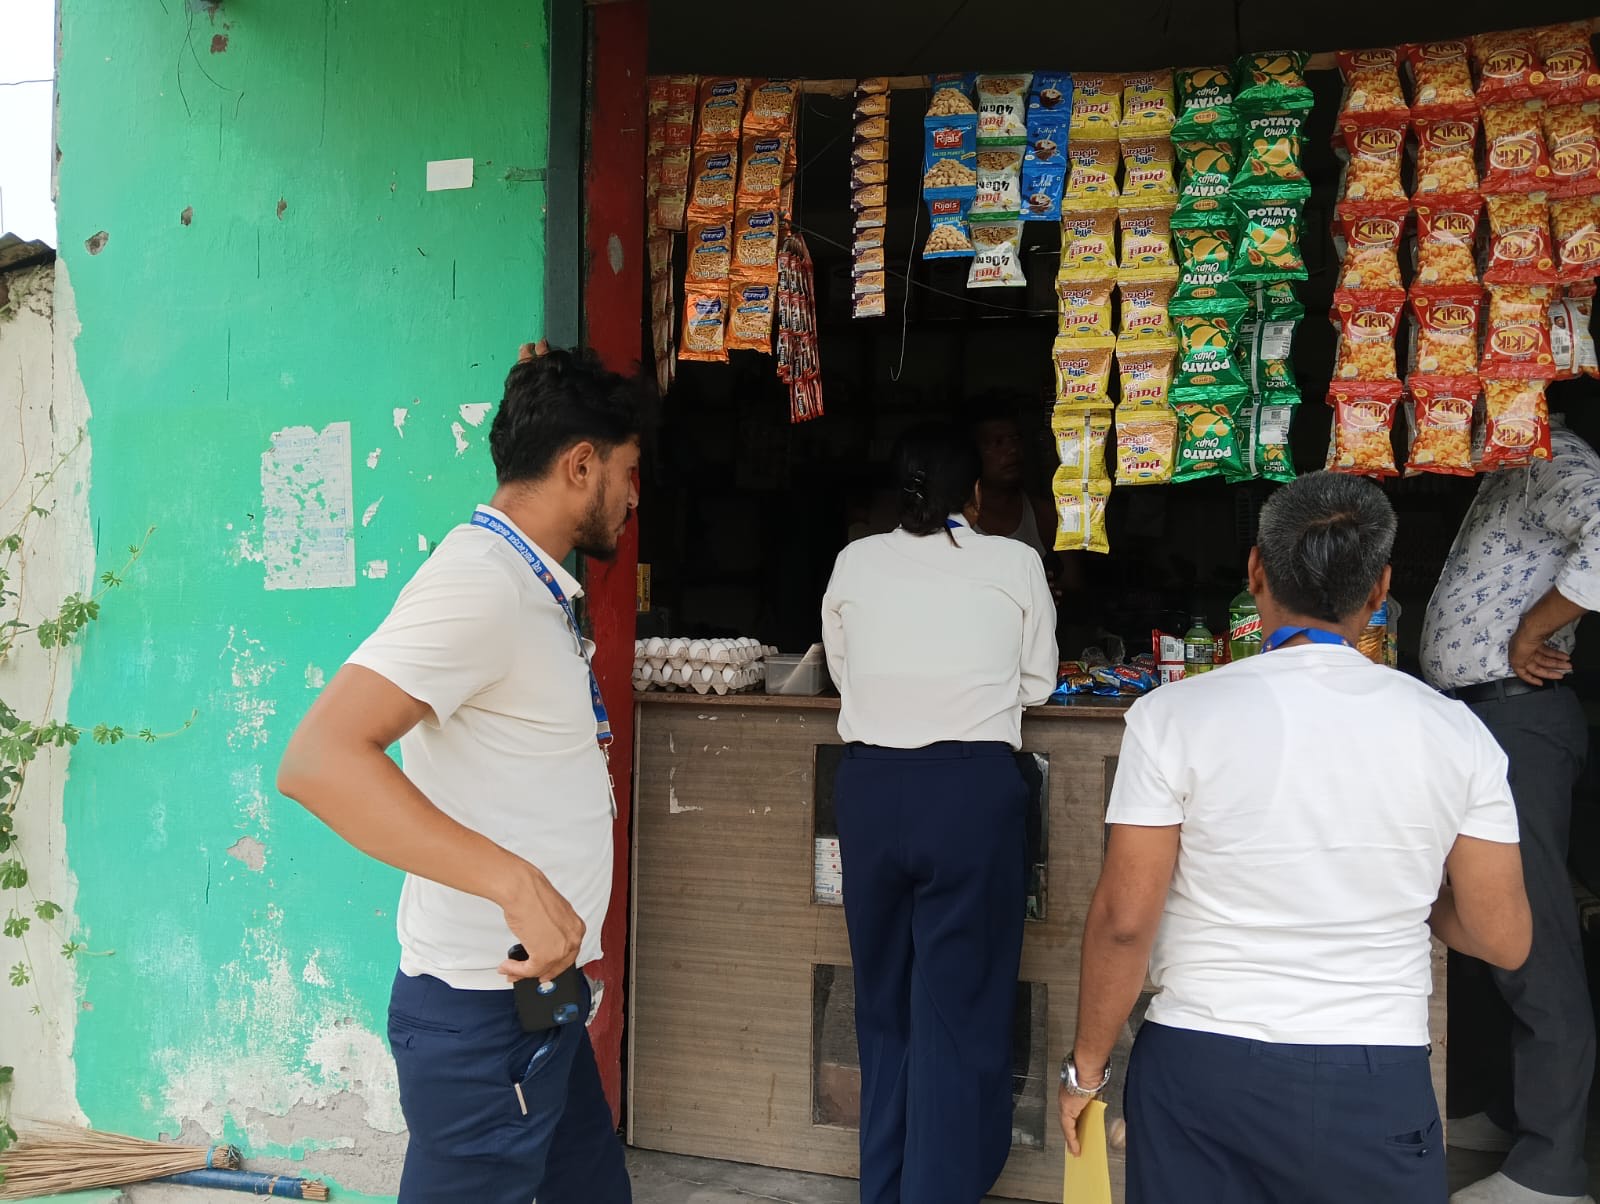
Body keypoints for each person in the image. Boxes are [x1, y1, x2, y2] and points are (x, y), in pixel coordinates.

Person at [1059, 471, 1532, 1204]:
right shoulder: (1456, 732)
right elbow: (1503, 938)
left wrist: (1085, 1072)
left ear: (1255, 571)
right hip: (1373, 1078)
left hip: (1201, 1069)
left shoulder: (1173, 716)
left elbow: (1125, 922)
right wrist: (1413, 893)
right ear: (1381, 589)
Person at [276, 342, 642, 1203]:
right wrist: (514, 883)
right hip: (484, 1018)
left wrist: (549, 379)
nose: (634, 497)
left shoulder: (527, 578)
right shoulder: (480, 583)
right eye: (628, 473)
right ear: (579, 465)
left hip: (541, 999)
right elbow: (318, 760)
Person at [820, 423, 1058, 1204]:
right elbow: (1037, 684)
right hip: (968, 796)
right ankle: (939, 1188)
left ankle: (886, 1188)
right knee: (961, 1009)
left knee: (882, 1006)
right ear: (976, 496)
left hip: (870, 789)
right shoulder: (1014, 562)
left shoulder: (856, 561)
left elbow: (845, 671)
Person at [1422, 396, 1600, 1204]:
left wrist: (1534, 629)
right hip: (1480, 722)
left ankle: (1552, 1168)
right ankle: (1502, 1112)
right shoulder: (1507, 461)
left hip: (1517, 722)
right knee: (1477, 924)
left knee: (1532, 934)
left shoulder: (1553, 453)